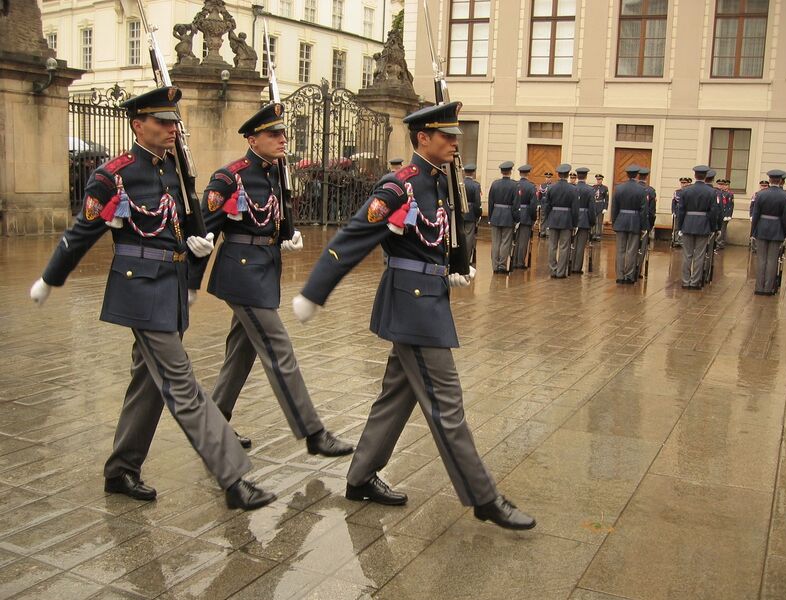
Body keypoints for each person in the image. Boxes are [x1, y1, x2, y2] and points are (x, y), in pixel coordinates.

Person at [291, 102, 536, 530]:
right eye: (448, 136)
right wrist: (315, 291)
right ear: (423, 138)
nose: (455, 143)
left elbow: (437, 235)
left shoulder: (441, 181)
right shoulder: (399, 185)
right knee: (446, 402)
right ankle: (483, 496)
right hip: (413, 305)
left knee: (397, 394)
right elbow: (353, 236)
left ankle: (361, 475)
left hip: (428, 295)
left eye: (456, 136)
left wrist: (452, 268)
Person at [28, 87, 273, 510]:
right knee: (180, 381)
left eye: (174, 121)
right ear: (137, 124)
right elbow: (82, 231)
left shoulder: (174, 170)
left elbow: (187, 228)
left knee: (149, 382)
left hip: (170, 286)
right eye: (162, 121)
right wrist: (51, 278)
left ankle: (122, 468)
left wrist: (195, 261)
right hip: (139, 289)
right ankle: (234, 477)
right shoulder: (114, 175)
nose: (171, 128)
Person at [188, 103, 354, 456]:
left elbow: (271, 219)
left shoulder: (275, 173)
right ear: (252, 139)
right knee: (279, 348)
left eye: (283, 133)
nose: (283, 139)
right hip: (241, 273)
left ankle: (212, 425)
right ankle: (313, 432)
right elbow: (204, 237)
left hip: (265, 269)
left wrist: (284, 236)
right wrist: (190, 283)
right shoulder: (228, 178)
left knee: (242, 351)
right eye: (273, 134)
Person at [752, 170, 786, 294]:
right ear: (780, 180)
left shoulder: (761, 194)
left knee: (761, 259)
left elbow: (755, 214)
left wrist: (754, 230)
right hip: (777, 229)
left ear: (770, 180)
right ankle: (768, 288)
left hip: (762, 228)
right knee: (772, 260)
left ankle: (759, 287)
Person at [677, 165, 719, 289]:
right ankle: (695, 282)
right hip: (703, 225)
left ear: (695, 176)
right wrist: (712, 228)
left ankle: (685, 281)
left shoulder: (686, 190)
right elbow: (713, 212)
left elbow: (681, 210)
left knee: (687, 254)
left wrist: (680, 226)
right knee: (699, 255)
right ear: (705, 176)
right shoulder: (711, 192)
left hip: (688, 224)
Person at [611, 164, 647, 284]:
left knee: (620, 250)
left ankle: (620, 276)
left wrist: (614, 222)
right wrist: (643, 226)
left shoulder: (619, 188)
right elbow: (643, 210)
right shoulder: (641, 189)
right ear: (637, 175)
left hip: (621, 220)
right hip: (635, 221)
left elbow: (614, 207)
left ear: (626, 174)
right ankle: (629, 275)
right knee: (632, 250)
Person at [542, 163, 579, 278]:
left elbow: (546, 206)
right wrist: (574, 223)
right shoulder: (573, 189)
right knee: (564, 247)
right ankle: (561, 271)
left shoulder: (551, 187)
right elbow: (575, 208)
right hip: (566, 219)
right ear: (568, 175)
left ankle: (553, 269)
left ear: (558, 174)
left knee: (552, 246)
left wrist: (548, 218)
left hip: (553, 218)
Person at [488, 161, 517, 273]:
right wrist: (516, 218)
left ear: (501, 171)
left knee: (495, 242)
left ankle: (495, 266)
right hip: (508, 216)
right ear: (510, 171)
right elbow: (515, 205)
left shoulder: (495, 184)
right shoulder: (514, 185)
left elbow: (490, 202)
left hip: (495, 215)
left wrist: (490, 217)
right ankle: (502, 265)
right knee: (505, 242)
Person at [571, 167, 596, 274]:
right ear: (586, 176)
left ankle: (569, 264)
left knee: (571, 243)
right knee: (580, 245)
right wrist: (592, 222)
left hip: (572, 218)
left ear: (577, 176)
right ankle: (577, 267)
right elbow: (592, 208)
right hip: (584, 219)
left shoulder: (572, 188)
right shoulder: (590, 190)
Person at [512, 164, 537, 269]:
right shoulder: (531, 186)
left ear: (519, 173)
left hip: (514, 214)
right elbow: (533, 205)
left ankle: (513, 261)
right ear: (528, 173)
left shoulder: (515, 185)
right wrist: (533, 218)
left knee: (514, 240)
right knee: (523, 240)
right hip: (526, 215)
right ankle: (520, 262)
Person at [636, 167, 657, 277]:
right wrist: (651, 225)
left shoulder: (633, 189)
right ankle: (638, 270)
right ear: (647, 177)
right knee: (642, 248)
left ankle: (628, 270)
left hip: (632, 222)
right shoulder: (650, 190)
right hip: (645, 223)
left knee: (630, 247)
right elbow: (652, 211)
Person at [462, 163, 482, 266]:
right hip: (471, 214)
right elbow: (477, 202)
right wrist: (478, 214)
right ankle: (466, 258)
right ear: (473, 173)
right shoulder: (476, 185)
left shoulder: (459, 183)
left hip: (460, 213)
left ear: (464, 172)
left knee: (460, 236)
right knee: (469, 237)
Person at [671, 177, 691, 247]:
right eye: (682, 183)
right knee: (676, 227)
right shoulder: (677, 191)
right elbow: (674, 202)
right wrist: (673, 211)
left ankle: (683, 242)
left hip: (686, 211)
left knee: (685, 227)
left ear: (688, 183)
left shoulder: (689, 192)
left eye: (685, 183)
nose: (683, 184)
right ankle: (676, 241)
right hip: (678, 211)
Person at [716, 179, 734, 248]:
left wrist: (728, 215)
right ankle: (717, 242)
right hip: (718, 213)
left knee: (723, 229)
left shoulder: (729, 194)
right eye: (720, 185)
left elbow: (730, 205)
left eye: (723, 185)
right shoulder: (716, 192)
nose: (722, 186)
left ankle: (720, 242)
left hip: (724, 214)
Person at [592, 174, 609, 241]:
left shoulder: (605, 188)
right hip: (594, 205)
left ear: (602, 180)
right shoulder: (593, 187)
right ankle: (593, 234)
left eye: (600, 179)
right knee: (594, 220)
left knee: (599, 221)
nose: (598, 181)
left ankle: (598, 235)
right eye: (597, 179)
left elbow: (607, 199)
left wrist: (605, 208)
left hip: (601, 205)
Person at [537, 171, 553, 238]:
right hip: (543, 204)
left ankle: (548, 233)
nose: (548, 179)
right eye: (547, 177)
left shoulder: (553, 186)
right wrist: (539, 203)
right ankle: (542, 232)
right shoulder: (542, 185)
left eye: (549, 178)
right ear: (545, 178)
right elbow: (539, 196)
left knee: (549, 218)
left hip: (550, 205)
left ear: (551, 178)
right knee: (543, 218)